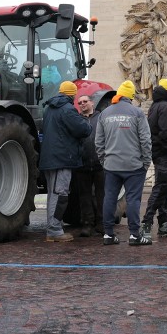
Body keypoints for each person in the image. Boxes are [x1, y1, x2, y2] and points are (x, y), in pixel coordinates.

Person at [96, 80, 153, 246]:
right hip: (134, 165)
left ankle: (108, 234)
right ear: (130, 97)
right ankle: (135, 235)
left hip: (111, 165)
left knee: (110, 198)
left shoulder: (105, 113)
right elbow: (145, 140)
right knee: (133, 199)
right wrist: (146, 162)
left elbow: (99, 142)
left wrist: (104, 161)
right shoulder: (137, 113)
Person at [39, 81, 92, 242]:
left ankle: (52, 227)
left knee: (52, 194)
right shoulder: (67, 109)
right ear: (72, 94)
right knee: (60, 194)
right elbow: (82, 129)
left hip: (50, 158)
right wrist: (86, 122)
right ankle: (54, 230)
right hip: (62, 158)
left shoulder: (49, 109)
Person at [141, 79, 167, 240]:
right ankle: (146, 223)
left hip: (159, 152)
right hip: (165, 153)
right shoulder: (166, 107)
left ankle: (164, 223)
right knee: (160, 188)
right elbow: (166, 132)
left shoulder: (156, 106)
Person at [74, 92, 106, 237]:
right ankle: (87, 224)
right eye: (80, 103)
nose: (82, 104)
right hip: (83, 164)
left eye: (85, 101)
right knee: (84, 197)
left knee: (102, 196)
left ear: (92, 103)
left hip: (100, 164)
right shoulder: (76, 120)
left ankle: (101, 223)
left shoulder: (101, 118)